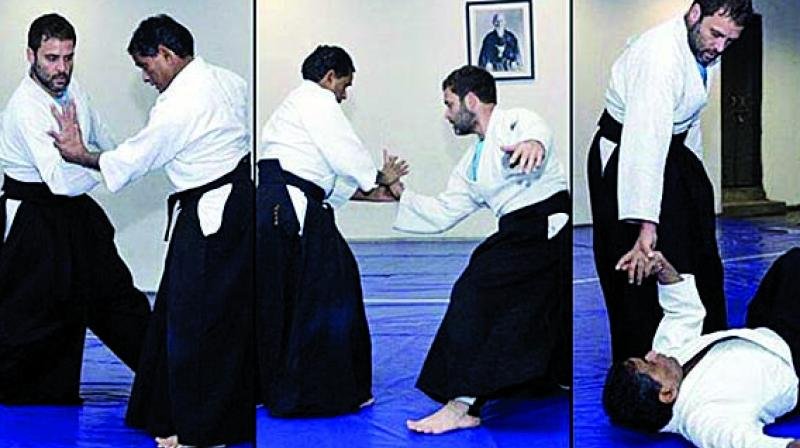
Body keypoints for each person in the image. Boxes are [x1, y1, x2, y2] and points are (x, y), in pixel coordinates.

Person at [48, 14, 253, 448]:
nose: (146, 77)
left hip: (211, 217)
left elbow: (134, 161)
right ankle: (165, 408)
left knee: (199, 322)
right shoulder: (227, 80)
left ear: (166, 53)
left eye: (146, 66)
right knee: (184, 312)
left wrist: (78, 153)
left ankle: (200, 430)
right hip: (229, 205)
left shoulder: (180, 104)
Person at [390, 65, 570, 435]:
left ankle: (462, 403)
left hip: (547, 225)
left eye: (449, 103)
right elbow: (444, 211)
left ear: (471, 100)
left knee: (476, 292)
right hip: (520, 231)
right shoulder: (471, 163)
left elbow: (535, 132)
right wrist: (399, 193)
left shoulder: (514, 122)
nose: (446, 114)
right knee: (531, 304)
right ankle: (543, 375)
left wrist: (533, 145)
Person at [587, 0, 753, 362]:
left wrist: (695, 179)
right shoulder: (659, 55)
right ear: (694, 14)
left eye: (729, 41)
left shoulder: (704, 52)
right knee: (641, 268)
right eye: (716, 34)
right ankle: (645, 369)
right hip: (627, 160)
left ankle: (700, 356)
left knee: (699, 259)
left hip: (672, 158)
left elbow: (687, 120)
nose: (720, 47)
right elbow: (645, 138)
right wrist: (646, 226)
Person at [0, 13, 150, 405]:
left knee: (116, 296)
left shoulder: (71, 87)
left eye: (68, 58)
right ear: (31, 55)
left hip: (74, 212)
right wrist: (99, 165)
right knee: (35, 316)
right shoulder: (26, 107)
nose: (61, 68)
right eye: (51, 58)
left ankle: (164, 376)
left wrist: (110, 160)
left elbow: (105, 141)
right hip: (34, 218)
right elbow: (60, 180)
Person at [257, 45, 407, 417]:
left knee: (281, 297)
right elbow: (345, 154)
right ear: (329, 78)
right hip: (289, 209)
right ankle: (323, 391)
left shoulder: (294, 106)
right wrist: (379, 177)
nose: (344, 94)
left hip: (278, 205)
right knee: (334, 290)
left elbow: (319, 175)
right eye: (345, 84)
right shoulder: (317, 100)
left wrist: (372, 194)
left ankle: (272, 385)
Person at [603, 249, 800, 448]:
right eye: (650, 365)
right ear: (667, 394)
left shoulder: (670, 363)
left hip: (765, 331)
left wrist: (663, 270)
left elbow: (682, 312)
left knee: (793, 263)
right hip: (792, 361)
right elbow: (747, 443)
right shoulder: (705, 419)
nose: (651, 354)